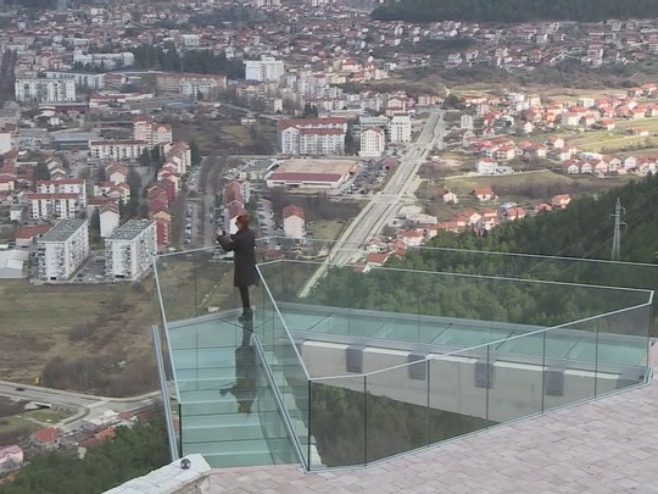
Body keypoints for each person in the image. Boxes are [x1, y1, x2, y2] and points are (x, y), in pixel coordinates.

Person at [217, 214, 257, 320]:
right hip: (250, 264)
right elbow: (239, 238)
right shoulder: (250, 233)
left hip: (242, 266)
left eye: (236, 224)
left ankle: (247, 313)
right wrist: (230, 235)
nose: (236, 225)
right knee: (245, 289)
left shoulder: (240, 237)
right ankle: (247, 311)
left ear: (241, 224)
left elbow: (227, 247)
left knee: (243, 290)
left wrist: (220, 237)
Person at [219, 318, 257, 415]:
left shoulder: (248, 399)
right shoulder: (246, 399)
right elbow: (237, 390)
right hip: (245, 370)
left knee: (245, 343)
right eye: (241, 409)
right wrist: (226, 391)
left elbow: (237, 390)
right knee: (245, 343)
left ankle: (248, 325)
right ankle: (248, 324)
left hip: (245, 370)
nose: (239, 408)